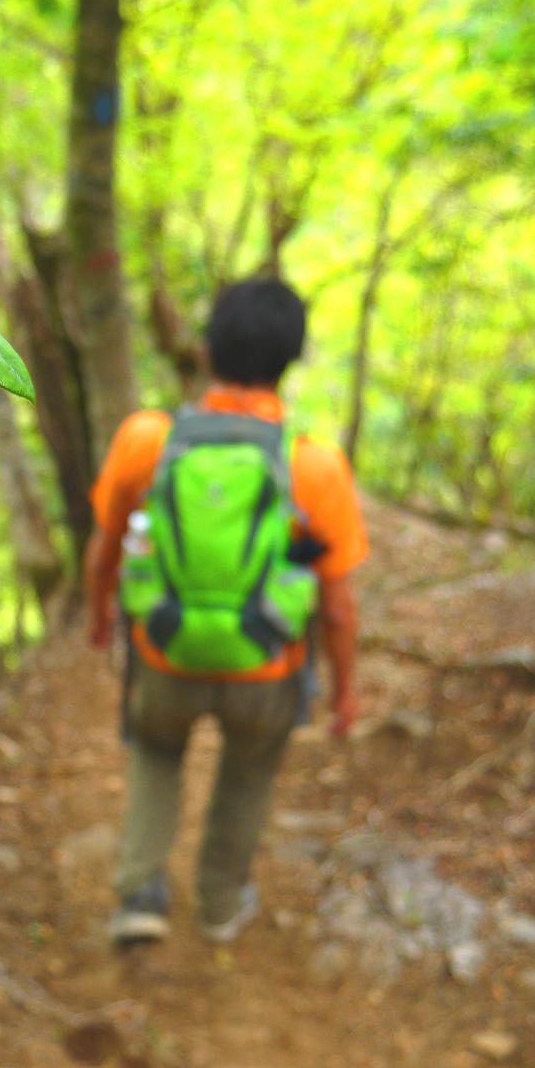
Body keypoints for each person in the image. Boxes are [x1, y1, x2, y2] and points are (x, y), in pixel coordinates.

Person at [85, 274, 367, 947]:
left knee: (155, 750)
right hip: (267, 665)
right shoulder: (315, 466)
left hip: (163, 649)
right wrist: (346, 690)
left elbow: (104, 550)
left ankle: (141, 891)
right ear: (289, 360)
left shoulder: (146, 439)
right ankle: (217, 902)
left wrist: (101, 618)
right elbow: (335, 604)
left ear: (205, 350)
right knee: (247, 772)